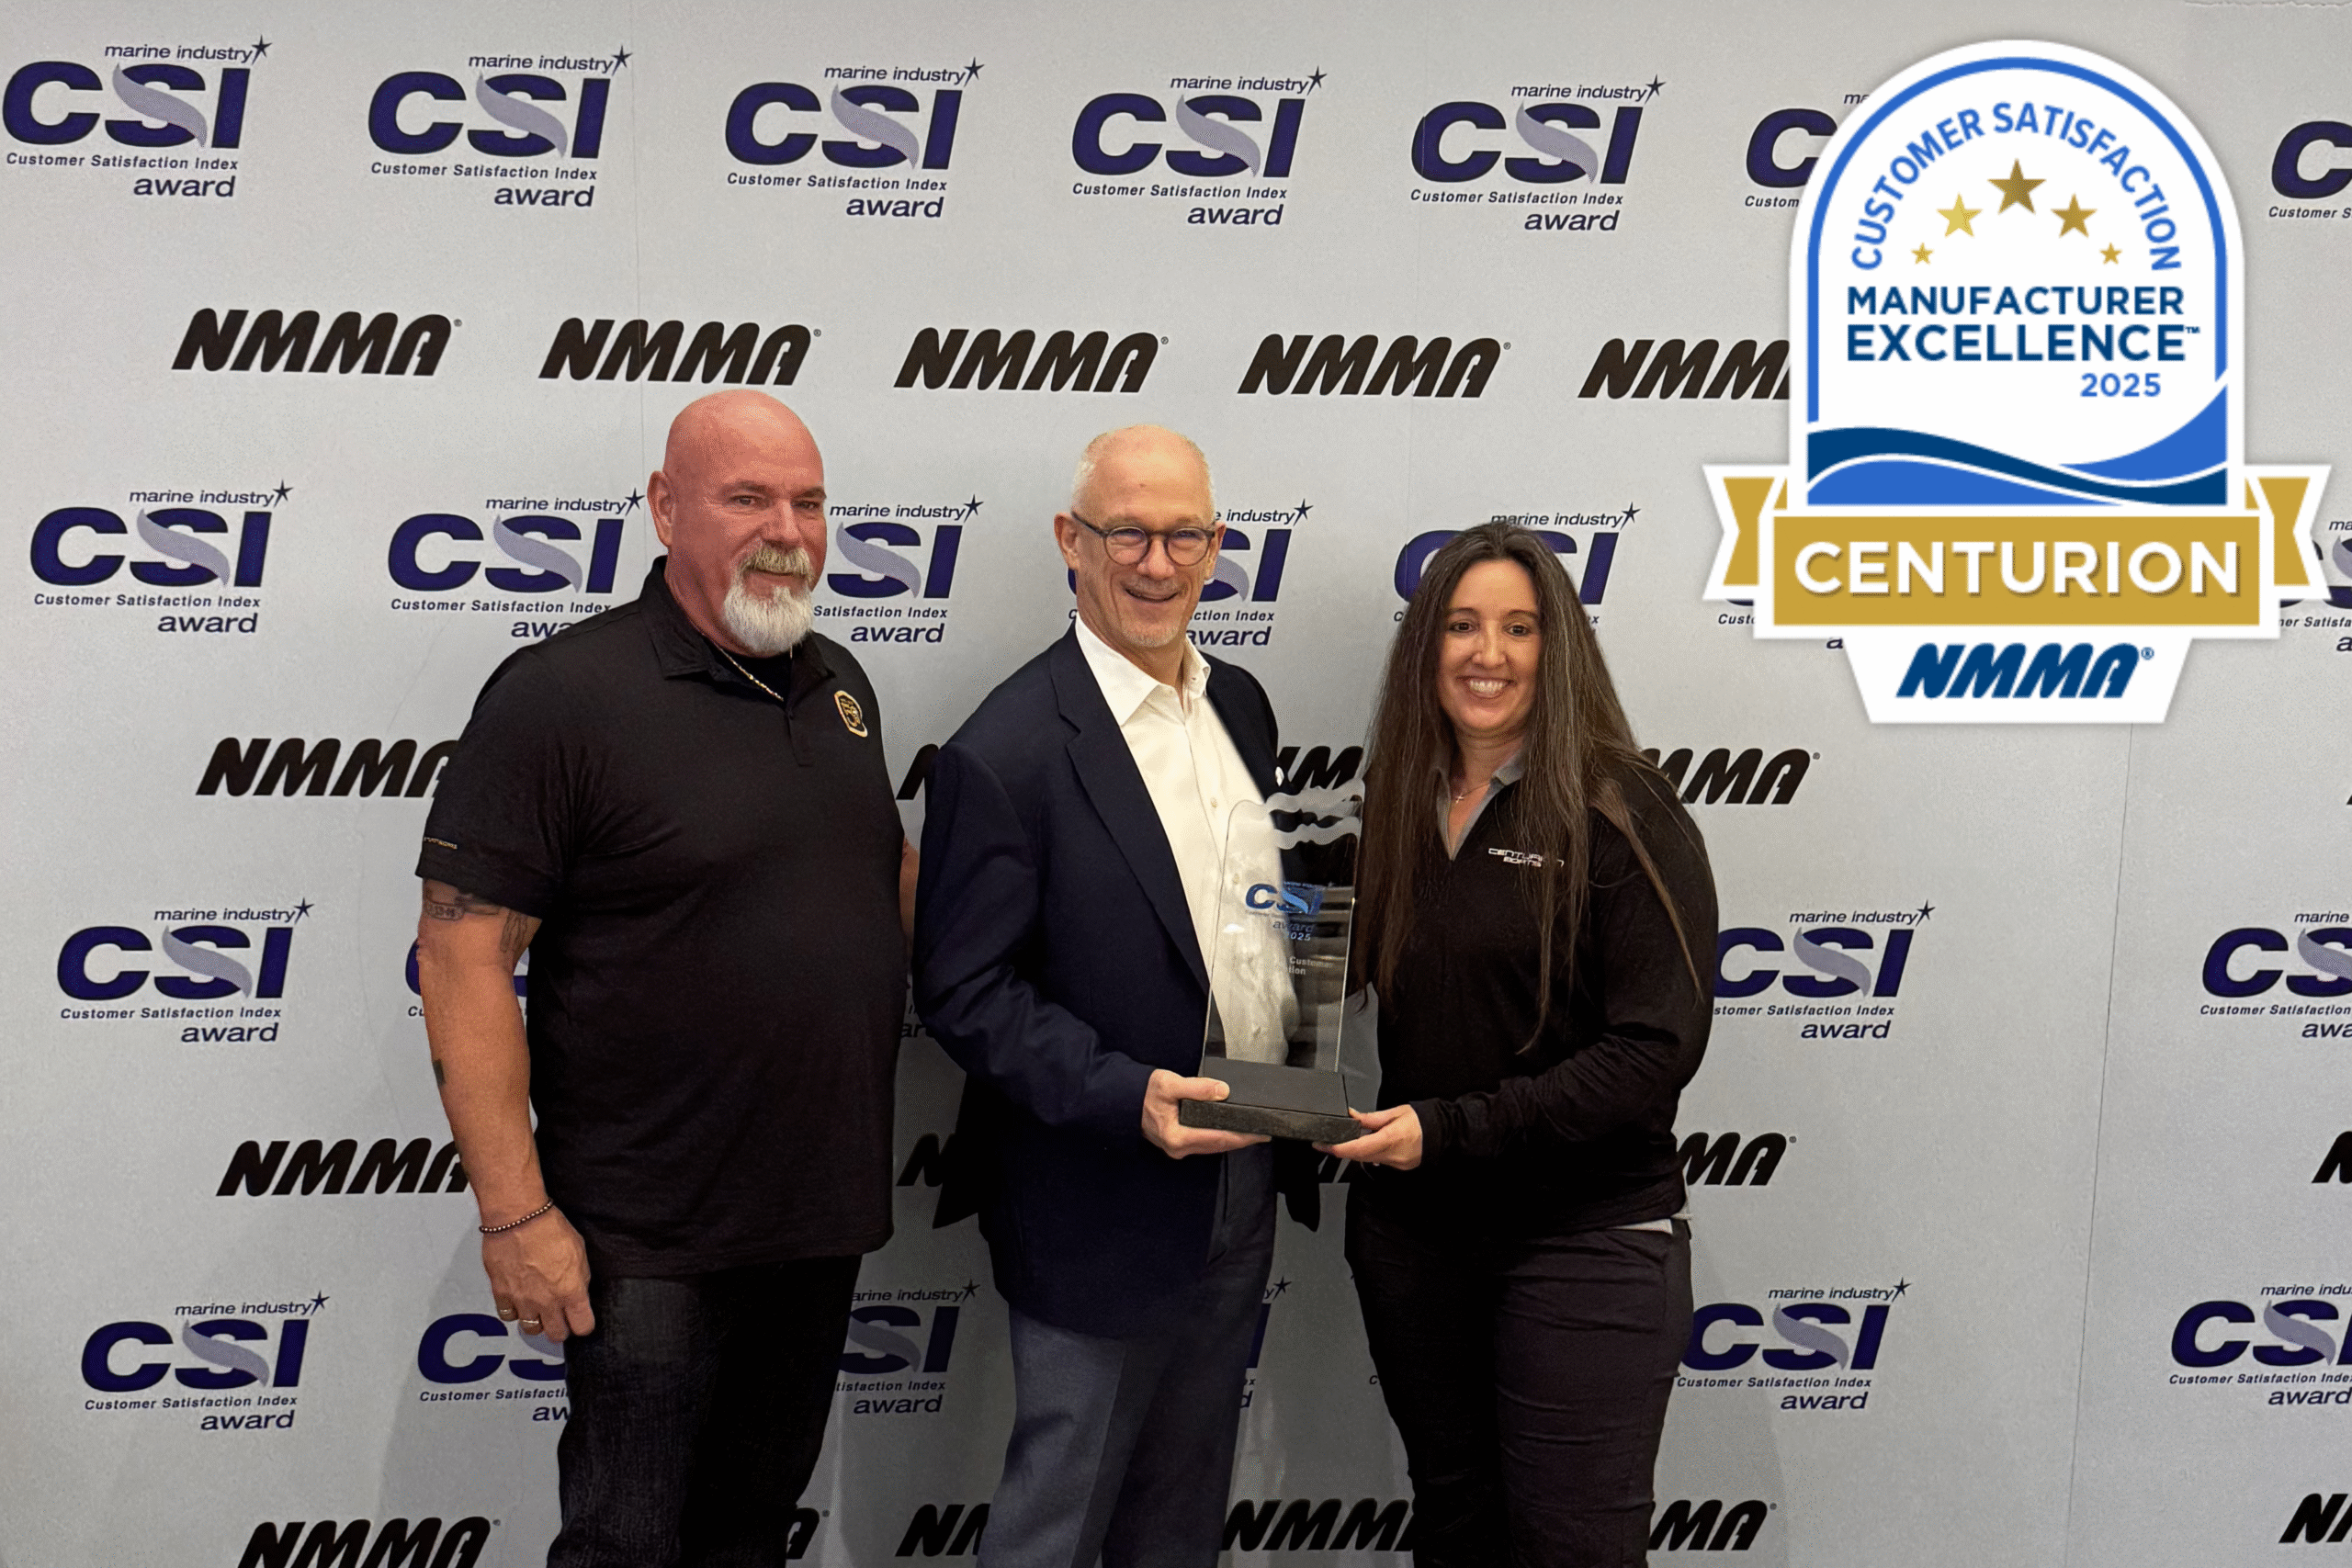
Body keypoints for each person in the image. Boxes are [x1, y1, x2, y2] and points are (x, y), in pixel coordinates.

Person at [413, 390, 914, 1567]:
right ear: (664, 508)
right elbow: (462, 952)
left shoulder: (839, 685)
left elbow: (875, 883)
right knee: (627, 1545)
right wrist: (515, 1213)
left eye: (808, 500)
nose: (785, 528)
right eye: (747, 498)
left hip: (814, 1217)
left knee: (745, 1535)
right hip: (645, 1235)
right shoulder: (562, 696)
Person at [912, 425, 1319, 1568]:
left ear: (1216, 545)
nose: (1156, 562)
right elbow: (963, 989)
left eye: (1183, 533)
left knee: (1180, 1518)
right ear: (1070, 543)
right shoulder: (1007, 748)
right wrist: (1124, 1094)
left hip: (1243, 1171)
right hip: (1096, 1197)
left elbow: (1243, 913)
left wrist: (1300, 1020)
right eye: (1126, 532)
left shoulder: (1241, 704)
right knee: (1057, 1517)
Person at [1322, 523, 1717, 1568]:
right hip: (1415, 1244)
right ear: (1425, 649)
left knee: (1569, 1549)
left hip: (1577, 1242)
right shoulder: (1395, 810)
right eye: (1458, 625)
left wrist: (1452, 1131)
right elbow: (1307, 986)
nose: (1484, 652)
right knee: (1456, 1528)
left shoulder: (1624, 807)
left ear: (1559, 649)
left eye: (1516, 627)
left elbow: (1653, 1047)